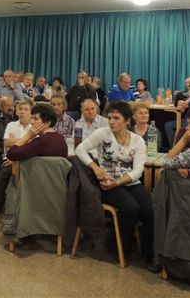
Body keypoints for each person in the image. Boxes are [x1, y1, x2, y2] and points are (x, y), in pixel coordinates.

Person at [75, 101, 156, 270]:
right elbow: (80, 149)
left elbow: (138, 171)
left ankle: (149, 255)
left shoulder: (138, 141)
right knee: (131, 208)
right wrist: (95, 167)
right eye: (110, 117)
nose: (111, 121)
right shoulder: (102, 133)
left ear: (127, 121)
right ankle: (120, 247)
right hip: (106, 184)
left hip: (129, 182)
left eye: (116, 118)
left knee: (150, 210)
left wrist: (118, 182)